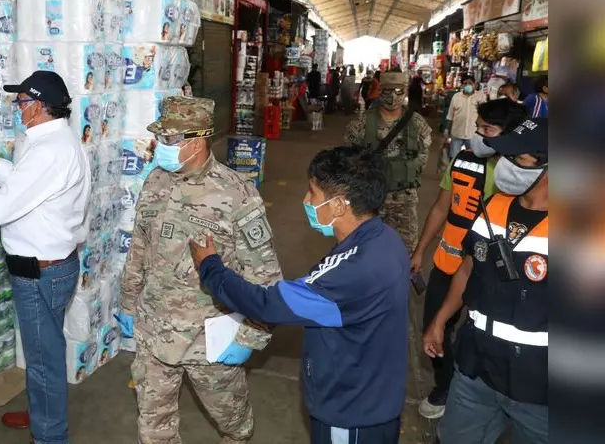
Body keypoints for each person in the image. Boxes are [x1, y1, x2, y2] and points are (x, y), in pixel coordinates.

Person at [190, 145, 408, 444]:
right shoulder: (384, 237)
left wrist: (211, 267)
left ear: (340, 205)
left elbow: (267, 304)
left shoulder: (353, 273)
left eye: (313, 194)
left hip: (351, 412)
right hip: (375, 392)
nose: (306, 200)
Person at [118, 96, 279, 444]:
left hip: (208, 339)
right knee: (154, 427)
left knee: (233, 424)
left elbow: (265, 277)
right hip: (153, 329)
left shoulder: (237, 194)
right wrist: (128, 302)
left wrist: (252, 335)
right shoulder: (156, 181)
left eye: (170, 140)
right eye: (161, 137)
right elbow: (140, 247)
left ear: (198, 140)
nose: (162, 146)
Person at [0, 70, 91, 444]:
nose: (18, 108)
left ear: (42, 107)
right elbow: (34, 191)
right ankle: (42, 415)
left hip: (40, 275)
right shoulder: (56, 142)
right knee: (41, 353)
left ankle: (50, 436)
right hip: (52, 268)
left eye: (23, 102)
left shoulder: (50, 151)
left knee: (44, 361)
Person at [424, 118, 549, 444]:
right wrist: (440, 319)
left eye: (518, 160)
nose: (505, 166)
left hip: (541, 389)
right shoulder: (494, 206)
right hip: (475, 368)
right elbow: (467, 269)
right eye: (504, 157)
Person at [409, 98, 528, 419]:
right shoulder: (463, 159)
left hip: (494, 272)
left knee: (481, 334)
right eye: (478, 128)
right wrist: (420, 250)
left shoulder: (524, 176)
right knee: (434, 326)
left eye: (487, 130)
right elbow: (440, 207)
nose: (477, 136)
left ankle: (487, 394)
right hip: (450, 262)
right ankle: (444, 383)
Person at [344, 71, 432, 249]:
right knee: (366, 250)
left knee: (405, 252)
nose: (392, 96)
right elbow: (348, 161)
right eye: (387, 90)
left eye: (398, 91)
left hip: (404, 201)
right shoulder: (361, 124)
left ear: (405, 91)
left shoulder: (417, 123)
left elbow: (423, 158)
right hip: (370, 201)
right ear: (380, 91)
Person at [445, 74, 486, 159]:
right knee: (454, 158)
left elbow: (485, 115)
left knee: (472, 159)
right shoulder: (456, 97)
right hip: (457, 133)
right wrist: (446, 131)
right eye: (465, 83)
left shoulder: (480, 96)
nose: (468, 85)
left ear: (475, 84)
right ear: (462, 85)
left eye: (470, 83)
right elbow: (450, 115)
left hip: (473, 134)